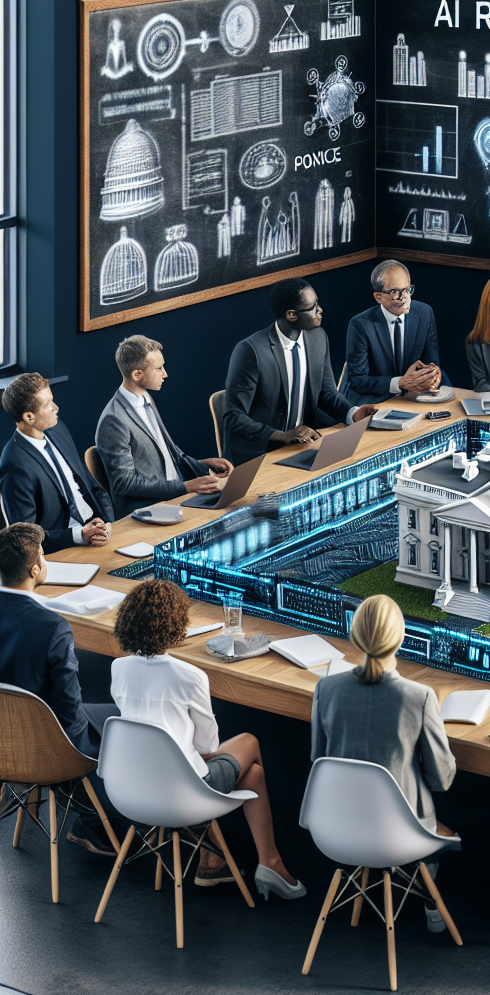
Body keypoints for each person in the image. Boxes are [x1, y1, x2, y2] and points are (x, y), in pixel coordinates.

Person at [110, 580, 305, 898]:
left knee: (250, 774)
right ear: (177, 624)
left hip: (131, 787)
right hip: (181, 793)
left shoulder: (119, 668)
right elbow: (209, 748)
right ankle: (268, 863)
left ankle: (214, 860)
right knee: (250, 744)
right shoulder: (190, 676)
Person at [310, 594, 456, 932]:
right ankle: (430, 902)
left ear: (355, 634)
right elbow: (442, 780)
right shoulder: (419, 697)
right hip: (399, 832)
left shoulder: (325, 689)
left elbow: (319, 761)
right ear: (401, 638)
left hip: (337, 825)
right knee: (444, 832)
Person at [0, 522, 120, 855]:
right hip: (48, 747)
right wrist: (78, 760)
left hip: (4, 742)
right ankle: (95, 818)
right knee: (124, 718)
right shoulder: (53, 626)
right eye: (42, 554)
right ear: (35, 569)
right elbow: (69, 710)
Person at [222, 278, 375, 465]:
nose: (320, 310)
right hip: (261, 455)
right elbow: (233, 418)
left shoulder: (318, 337)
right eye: (312, 307)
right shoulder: (250, 351)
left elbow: (326, 394)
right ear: (292, 315)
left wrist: (353, 413)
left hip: (301, 448)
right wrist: (281, 436)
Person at [96, 335, 233, 518]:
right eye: (159, 368)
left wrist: (202, 465)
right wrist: (185, 487)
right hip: (148, 509)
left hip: (174, 496)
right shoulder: (113, 420)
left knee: (235, 506)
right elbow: (125, 484)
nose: (165, 374)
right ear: (137, 375)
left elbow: (165, 456)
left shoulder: (146, 399)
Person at [0, 373, 115, 553]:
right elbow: (25, 538)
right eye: (48, 405)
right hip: (65, 548)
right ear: (30, 417)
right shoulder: (15, 465)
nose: (56, 408)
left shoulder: (56, 427)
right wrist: (80, 535)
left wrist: (108, 523)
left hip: (97, 530)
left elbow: (91, 486)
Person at [342, 260, 448, 406]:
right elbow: (357, 380)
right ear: (378, 297)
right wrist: (399, 383)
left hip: (417, 394)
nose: (403, 297)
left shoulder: (425, 313)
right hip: (377, 398)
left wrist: (433, 374)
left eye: (406, 290)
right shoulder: (360, 325)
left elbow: (432, 362)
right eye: (394, 292)